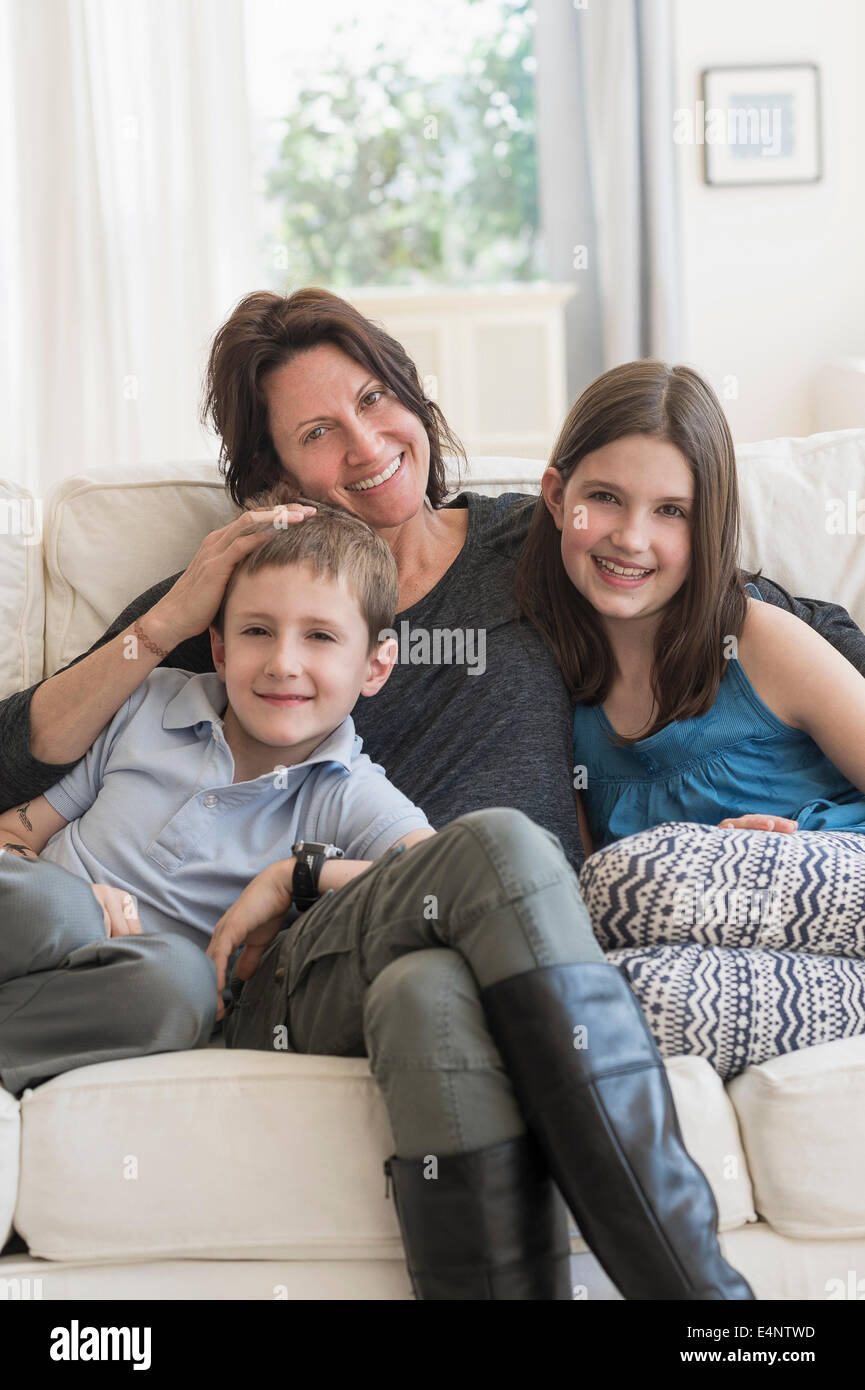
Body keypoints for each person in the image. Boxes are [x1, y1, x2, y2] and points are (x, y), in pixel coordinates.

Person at [1, 289, 857, 1300]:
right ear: (276, 476)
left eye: (375, 399)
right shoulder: (251, 600)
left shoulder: (527, 550)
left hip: (446, 944)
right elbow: (24, 763)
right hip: (310, 957)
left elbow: (713, 594)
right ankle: (707, 1309)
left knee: (432, 991)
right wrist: (177, 611)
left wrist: (764, 831)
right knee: (496, 848)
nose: (366, 445)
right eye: (319, 433)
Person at [0, 500, 436, 1095]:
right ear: (221, 649)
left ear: (375, 666)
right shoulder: (145, 706)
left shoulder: (347, 791)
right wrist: (75, 896)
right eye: (257, 631)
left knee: (186, 987)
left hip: (115, 990)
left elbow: (442, 881)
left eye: (320, 637)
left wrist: (295, 877)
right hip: (31, 925)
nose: (283, 664)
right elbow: (16, 834)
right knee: (58, 908)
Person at [515, 359, 865, 1077]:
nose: (631, 538)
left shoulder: (761, 640)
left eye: (669, 510)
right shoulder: (556, 692)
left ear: (706, 524)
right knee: (611, 994)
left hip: (839, 880)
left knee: (634, 882)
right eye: (606, 499)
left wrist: (792, 850)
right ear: (556, 497)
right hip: (748, 964)